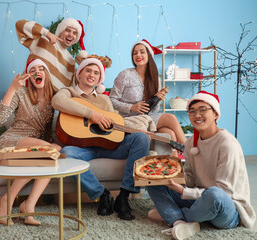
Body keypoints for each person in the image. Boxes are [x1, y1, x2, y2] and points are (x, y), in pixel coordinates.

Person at [145, 91, 256, 239]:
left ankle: (173, 215)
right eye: (192, 111)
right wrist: (172, 172)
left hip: (227, 209)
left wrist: (184, 193)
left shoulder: (227, 144)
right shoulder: (191, 143)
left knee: (214, 194)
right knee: (151, 179)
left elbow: (224, 192)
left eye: (203, 110)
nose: (197, 115)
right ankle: (179, 222)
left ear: (216, 114)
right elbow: (190, 181)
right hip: (198, 200)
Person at [51, 58, 151, 220]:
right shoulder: (68, 92)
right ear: (79, 74)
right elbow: (57, 101)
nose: (92, 75)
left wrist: (131, 130)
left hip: (108, 146)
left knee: (141, 139)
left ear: (99, 78)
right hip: (83, 147)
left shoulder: (104, 99)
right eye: (88, 71)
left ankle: (123, 197)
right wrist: (93, 115)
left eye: (96, 73)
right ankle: (102, 194)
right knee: (68, 153)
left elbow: (113, 128)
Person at [0, 59, 61, 226]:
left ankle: (28, 205)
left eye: (41, 69)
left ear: (46, 74)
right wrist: (12, 88)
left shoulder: (56, 96)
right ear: (29, 76)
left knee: (50, 156)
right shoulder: (21, 93)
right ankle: (5, 201)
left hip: (35, 147)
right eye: (33, 70)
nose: (38, 72)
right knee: (47, 149)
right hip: (10, 142)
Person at [109, 39, 187, 150]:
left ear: (149, 55)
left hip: (147, 118)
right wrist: (132, 107)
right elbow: (111, 100)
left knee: (170, 134)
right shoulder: (125, 74)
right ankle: (189, 152)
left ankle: (173, 165)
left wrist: (157, 100)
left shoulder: (155, 78)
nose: (138, 55)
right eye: (135, 53)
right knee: (171, 118)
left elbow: (153, 112)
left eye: (142, 52)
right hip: (129, 120)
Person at [16, 18, 86, 91]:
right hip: (26, 93)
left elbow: (73, 88)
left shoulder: (71, 62)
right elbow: (20, 25)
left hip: (48, 101)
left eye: (75, 33)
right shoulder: (43, 40)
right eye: (67, 30)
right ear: (60, 31)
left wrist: (83, 67)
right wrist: (47, 33)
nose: (71, 34)